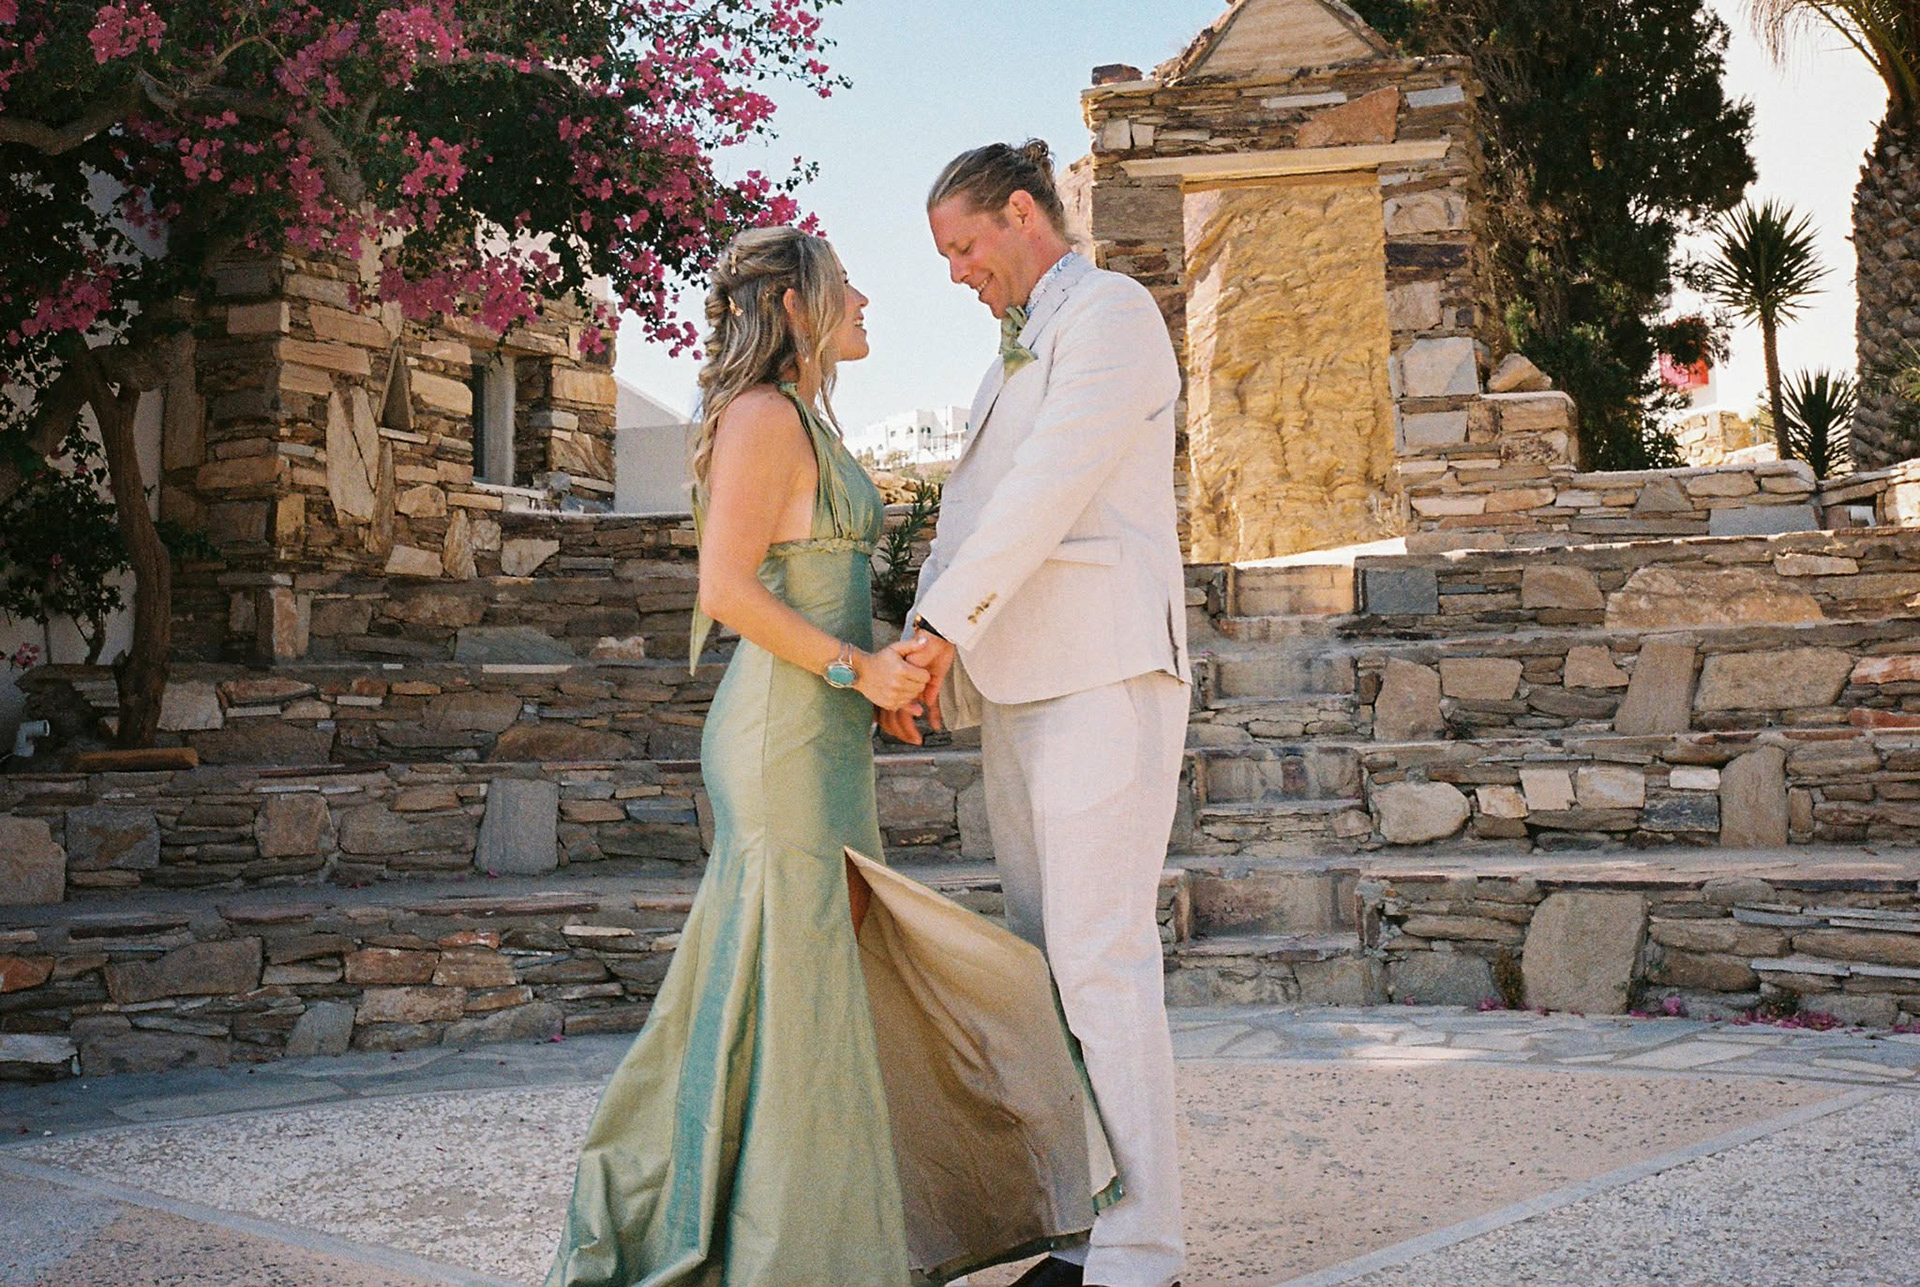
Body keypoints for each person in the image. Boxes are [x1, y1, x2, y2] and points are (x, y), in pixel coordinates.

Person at [544, 225, 1118, 1287]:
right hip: (782, 738)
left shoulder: (809, 418)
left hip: (825, 734)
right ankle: (774, 1249)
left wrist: (884, 673)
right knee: (795, 981)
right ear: (799, 309)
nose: (866, 304)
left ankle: (819, 1237)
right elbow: (725, 592)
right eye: (846, 290)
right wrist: (859, 674)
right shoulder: (764, 415)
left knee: (814, 985)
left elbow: (825, 586)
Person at [878, 141, 1191, 1287]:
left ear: (1020, 215)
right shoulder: (1009, 351)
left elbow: (1051, 488)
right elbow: (974, 519)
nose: (959, 272)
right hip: (1020, 686)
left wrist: (936, 637)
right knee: (1048, 972)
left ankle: (1142, 1255)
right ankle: (1082, 1228)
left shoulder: (1110, 313)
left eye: (964, 247)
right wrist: (935, 660)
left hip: (1105, 679)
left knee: (1102, 964)